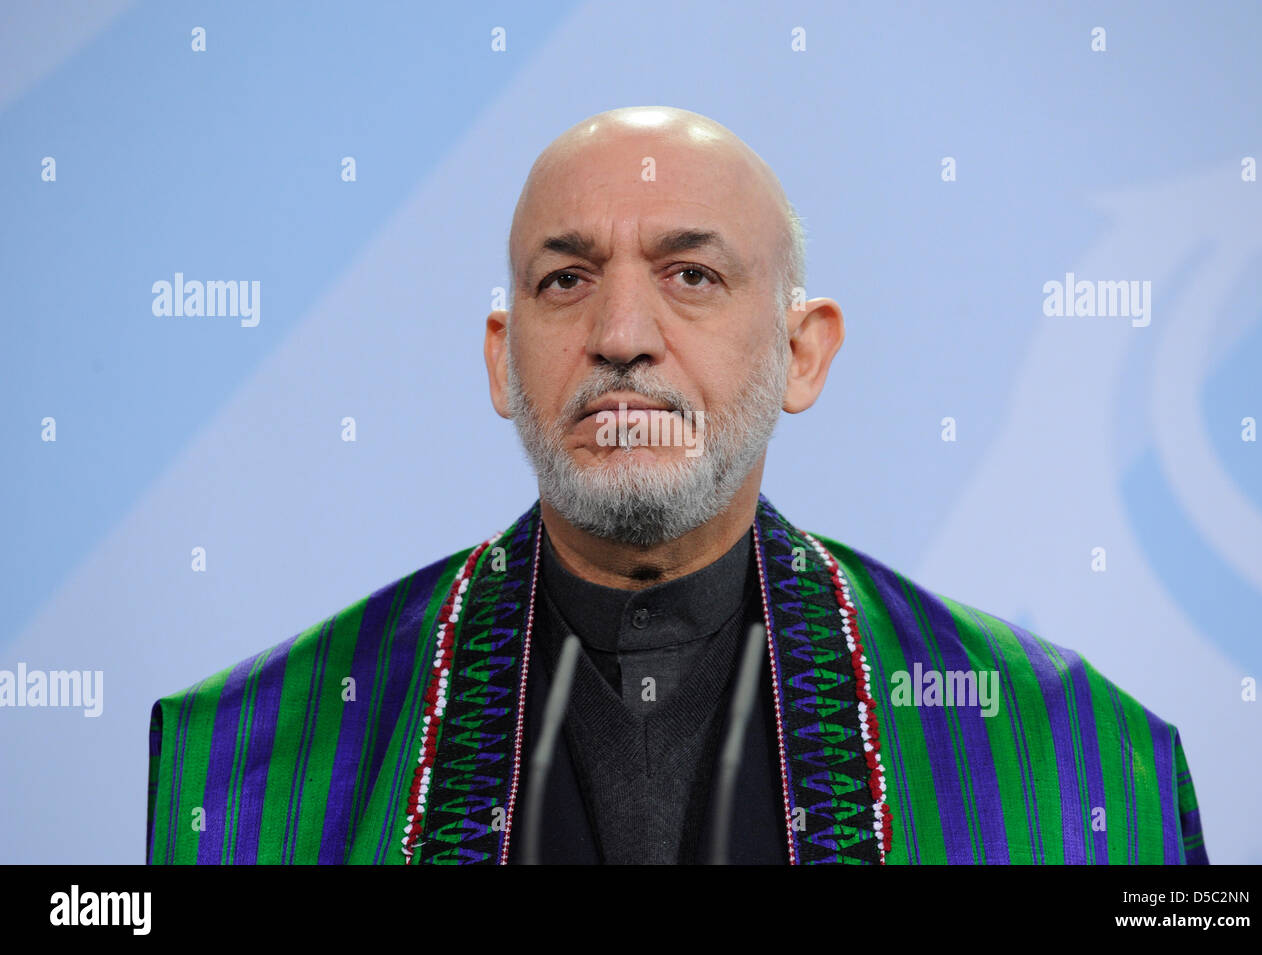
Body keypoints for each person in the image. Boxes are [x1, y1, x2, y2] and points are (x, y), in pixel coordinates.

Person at [146, 106, 1207, 865]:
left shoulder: (1071, 750)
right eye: (566, 281)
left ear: (801, 352)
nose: (618, 337)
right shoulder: (254, 753)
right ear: (501, 361)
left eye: (691, 275)